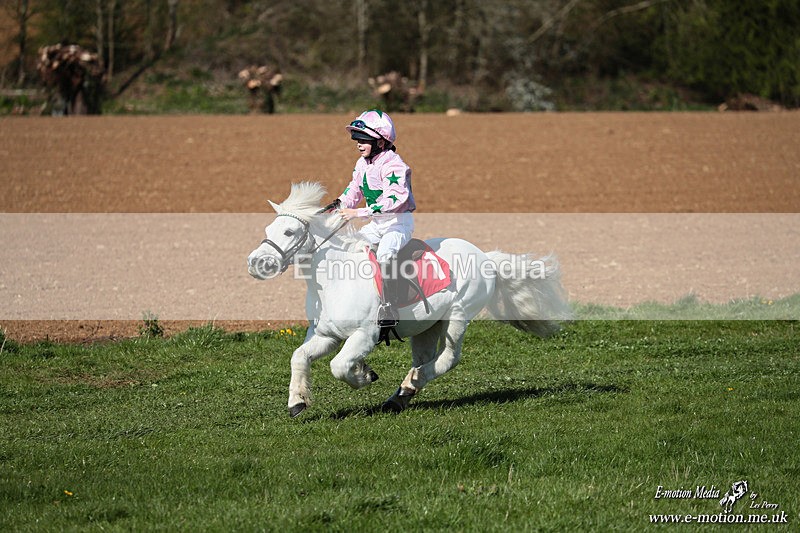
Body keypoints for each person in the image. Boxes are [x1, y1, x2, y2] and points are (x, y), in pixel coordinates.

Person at [337, 109, 416, 328]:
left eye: (364, 140)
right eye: (357, 139)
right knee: (350, 248)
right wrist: (336, 206)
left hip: (397, 224)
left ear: (381, 142)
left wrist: (358, 213)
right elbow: (353, 191)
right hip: (377, 225)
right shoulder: (362, 164)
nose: (358, 144)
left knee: (384, 254)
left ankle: (389, 308)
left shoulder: (394, 165)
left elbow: (394, 201)